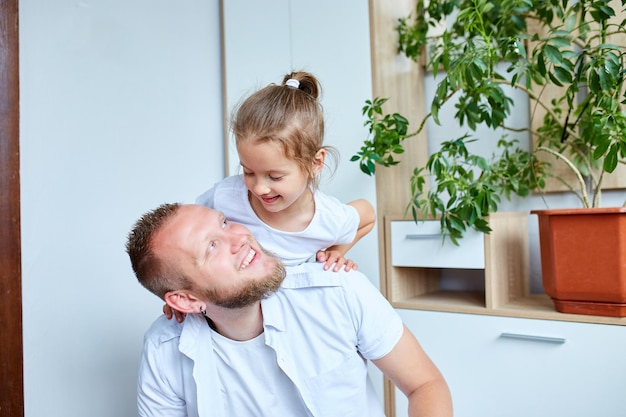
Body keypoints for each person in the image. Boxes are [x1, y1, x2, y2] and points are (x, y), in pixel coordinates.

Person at [127, 203, 454, 417]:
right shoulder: (164, 349)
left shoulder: (337, 289)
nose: (240, 237)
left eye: (225, 222)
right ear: (184, 301)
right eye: (212, 246)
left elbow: (424, 385)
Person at [196, 71, 376, 271]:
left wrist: (337, 251)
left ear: (315, 163)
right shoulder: (226, 196)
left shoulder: (328, 218)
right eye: (248, 172)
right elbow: (188, 227)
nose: (260, 188)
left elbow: (367, 216)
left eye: (274, 177)